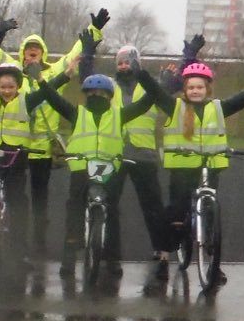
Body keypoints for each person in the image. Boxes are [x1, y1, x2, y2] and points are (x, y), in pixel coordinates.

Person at [0, 0, 109, 257]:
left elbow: (75, 54)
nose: (33, 51)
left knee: (40, 203)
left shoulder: (53, 73)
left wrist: (95, 30)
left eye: (37, 48)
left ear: (43, 53)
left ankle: (38, 244)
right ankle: (8, 243)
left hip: (42, 151)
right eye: (28, 48)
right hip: (14, 150)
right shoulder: (11, 74)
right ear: (22, 53)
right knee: (11, 201)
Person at [140, 42, 244, 286]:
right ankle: (162, 256)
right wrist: (141, 73)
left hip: (210, 167)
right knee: (175, 214)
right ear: (185, 89)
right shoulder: (175, 107)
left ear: (208, 89)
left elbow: (242, 99)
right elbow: (156, 93)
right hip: (182, 168)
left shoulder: (218, 108)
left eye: (199, 87)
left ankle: (213, 265)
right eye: (190, 87)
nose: (195, 91)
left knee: (211, 217)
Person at [59, 30, 167, 277]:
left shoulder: (146, 86)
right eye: (118, 61)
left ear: (137, 63)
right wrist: (87, 52)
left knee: (153, 206)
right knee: (108, 206)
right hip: (114, 156)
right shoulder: (110, 86)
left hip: (143, 154)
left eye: (127, 60)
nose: (122, 65)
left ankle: (161, 250)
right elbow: (88, 80)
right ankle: (110, 256)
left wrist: (172, 76)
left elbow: (160, 97)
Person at [0, 59, 75, 260]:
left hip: (15, 161)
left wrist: (66, 75)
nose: (6, 91)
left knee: (19, 204)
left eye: (11, 87)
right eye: (2, 87)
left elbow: (48, 91)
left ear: (18, 86)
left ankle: (20, 251)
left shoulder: (26, 101)